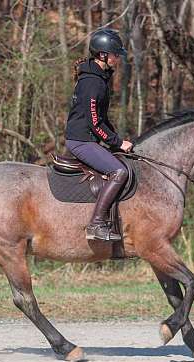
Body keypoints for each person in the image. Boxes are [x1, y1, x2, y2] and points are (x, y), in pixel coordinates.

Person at [65, 28, 134, 241]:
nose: (117, 58)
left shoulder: (99, 78)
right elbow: (95, 123)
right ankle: (96, 224)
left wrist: (116, 142)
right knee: (119, 172)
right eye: (115, 54)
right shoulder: (92, 83)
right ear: (103, 55)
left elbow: (102, 120)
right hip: (80, 141)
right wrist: (116, 142)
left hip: (89, 138)